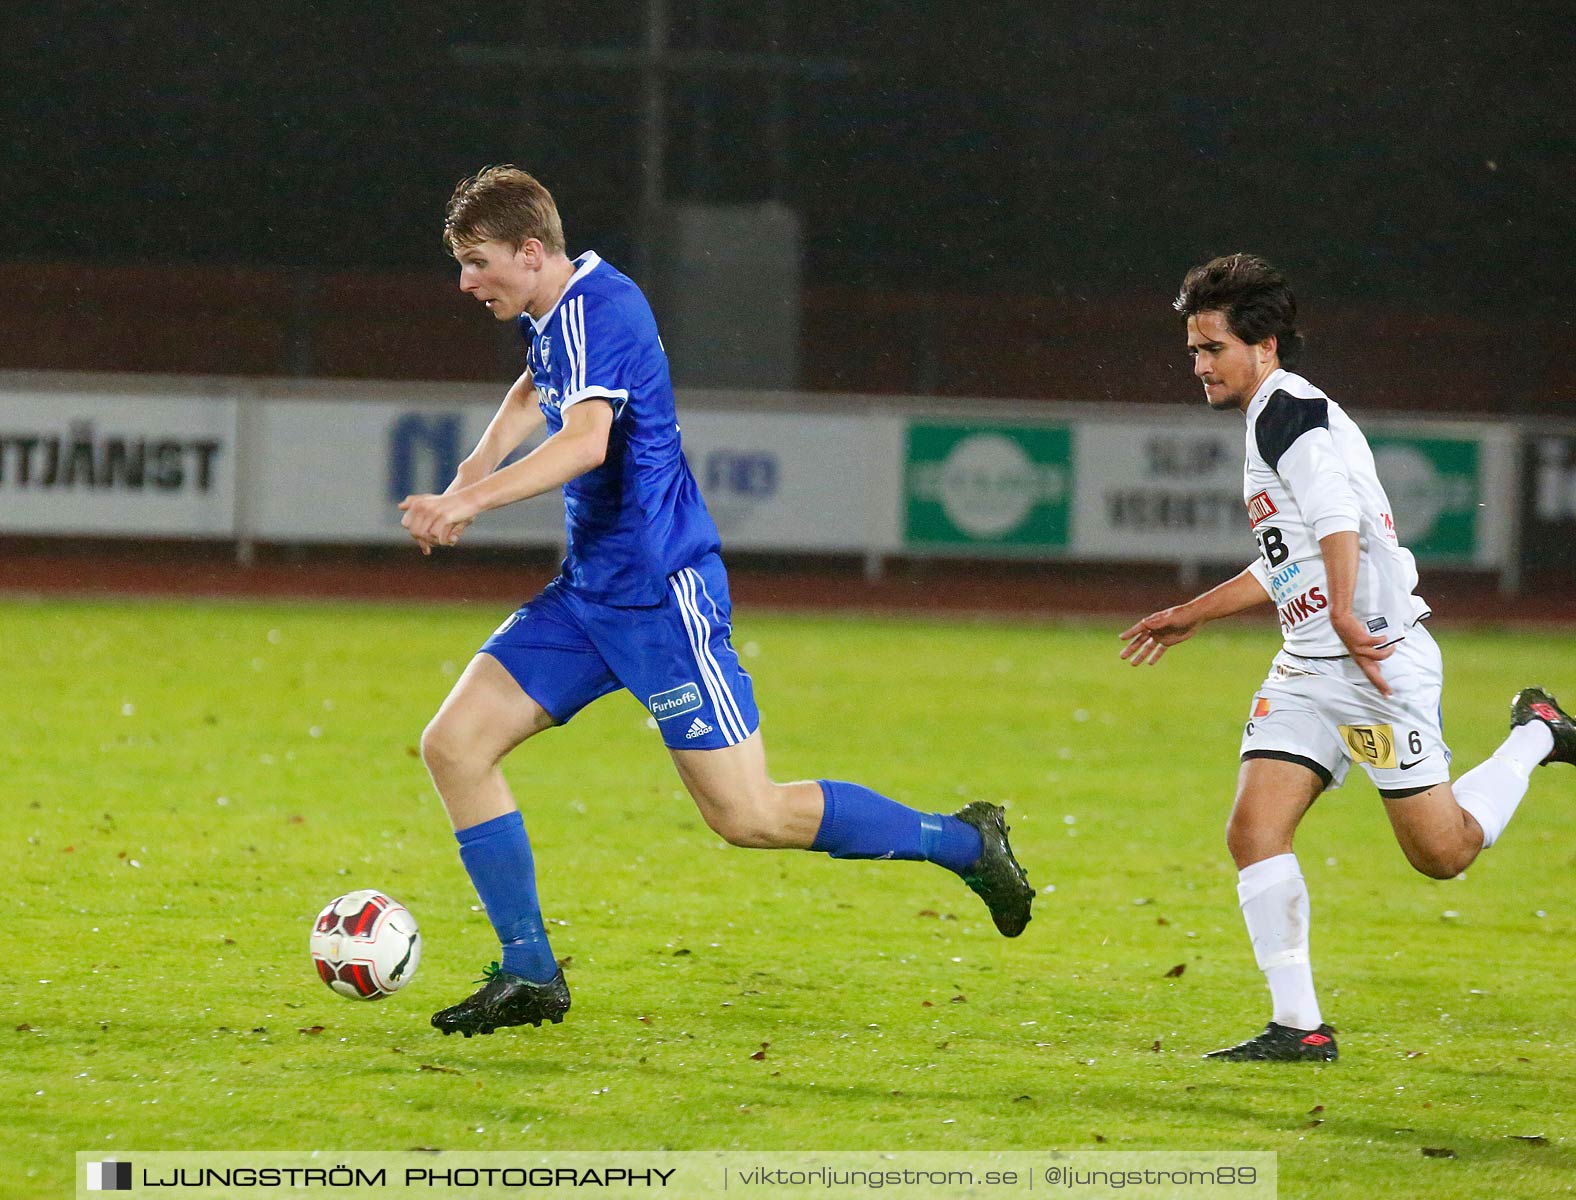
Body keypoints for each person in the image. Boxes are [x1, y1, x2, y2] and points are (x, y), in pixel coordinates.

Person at [399, 165, 1035, 1037]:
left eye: (477, 263)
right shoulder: (554, 309)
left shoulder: (603, 309)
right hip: (591, 594)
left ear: (530, 250)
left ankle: (966, 843)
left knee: (749, 814)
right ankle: (530, 973)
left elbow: (585, 443)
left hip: (664, 597)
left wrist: (470, 501)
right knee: (455, 745)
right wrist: (473, 467)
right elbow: (530, 388)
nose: (466, 282)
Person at [1119, 253, 1576, 1062]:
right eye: (1192, 349)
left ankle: (1538, 731)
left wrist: (1338, 606)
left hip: (1369, 664)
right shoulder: (1276, 415)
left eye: (1211, 347)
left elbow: (1335, 519)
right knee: (1254, 830)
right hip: (1309, 662)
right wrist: (1193, 612)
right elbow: (1285, 556)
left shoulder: (1284, 412)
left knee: (1443, 854)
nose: (1198, 364)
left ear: (1262, 346)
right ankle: (1300, 1028)